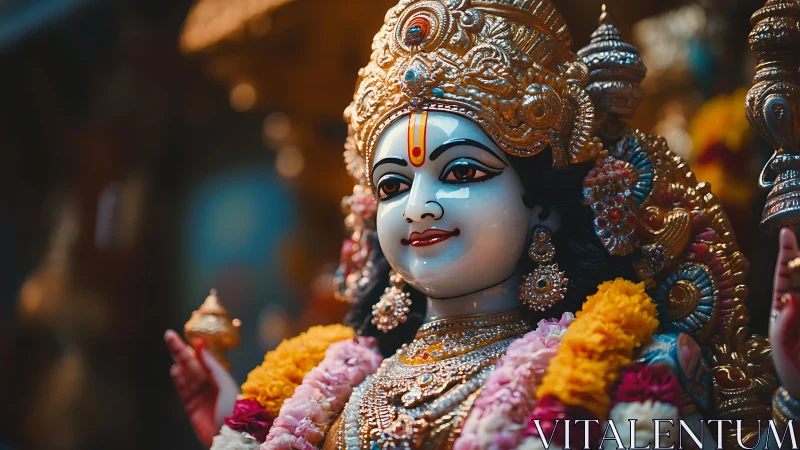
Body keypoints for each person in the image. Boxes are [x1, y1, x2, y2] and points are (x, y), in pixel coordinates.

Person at [166, 1, 800, 449]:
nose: (418, 206)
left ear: (541, 203)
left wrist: (794, 390)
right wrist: (229, 427)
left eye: (462, 174)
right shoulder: (329, 388)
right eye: (392, 185)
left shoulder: (630, 372)